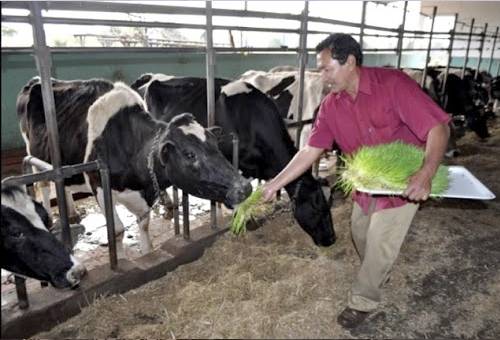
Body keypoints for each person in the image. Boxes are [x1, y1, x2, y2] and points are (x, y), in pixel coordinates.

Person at [262, 33, 450, 329]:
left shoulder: (393, 85)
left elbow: (438, 128)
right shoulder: (331, 106)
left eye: (326, 68)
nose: (322, 77)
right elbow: (310, 150)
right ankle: (377, 271)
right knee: (359, 232)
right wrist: (274, 184)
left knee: (380, 241)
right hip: (367, 182)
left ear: (349, 62)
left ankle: (363, 301)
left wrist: (426, 172)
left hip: (404, 178)